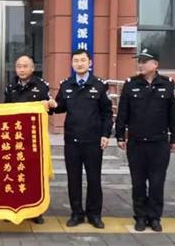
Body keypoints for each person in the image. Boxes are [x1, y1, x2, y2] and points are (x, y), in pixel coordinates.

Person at [115, 47, 175, 232]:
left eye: (144, 61)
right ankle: (140, 217)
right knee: (138, 183)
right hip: (136, 143)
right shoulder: (130, 84)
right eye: (139, 61)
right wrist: (120, 135)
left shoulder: (167, 84)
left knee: (157, 182)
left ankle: (155, 217)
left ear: (155, 64)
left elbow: (173, 114)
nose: (140, 64)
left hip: (159, 143)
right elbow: (123, 112)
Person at [54, 49, 113, 229]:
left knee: (94, 179)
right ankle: (76, 213)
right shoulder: (66, 85)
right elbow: (59, 107)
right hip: (72, 141)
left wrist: (105, 134)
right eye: (76, 61)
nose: (79, 64)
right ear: (72, 64)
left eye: (82, 60)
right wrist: (51, 105)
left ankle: (94, 214)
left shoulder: (99, 85)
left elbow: (107, 113)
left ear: (90, 63)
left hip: (93, 141)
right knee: (74, 179)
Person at [4, 54, 57, 224]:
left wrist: (50, 105)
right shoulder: (10, 86)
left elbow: (50, 110)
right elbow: (4, 111)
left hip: (34, 138)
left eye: (25, 66)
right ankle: (12, 209)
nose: (21, 69)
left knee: (33, 174)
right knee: (14, 173)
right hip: (14, 138)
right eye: (18, 66)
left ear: (32, 68)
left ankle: (35, 211)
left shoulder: (41, 86)